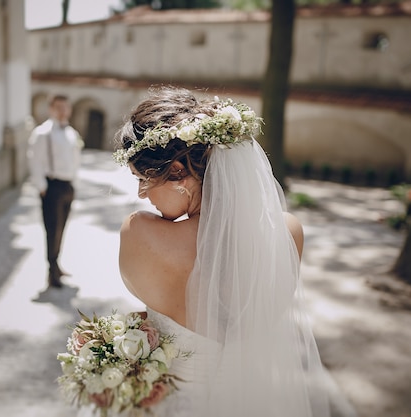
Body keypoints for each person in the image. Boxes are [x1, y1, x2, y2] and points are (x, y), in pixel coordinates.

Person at [108, 86, 333, 416]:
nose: (142, 194)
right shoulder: (287, 233)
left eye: (143, 178)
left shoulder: (139, 233)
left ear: (178, 174)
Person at [27, 94, 82, 288]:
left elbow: (74, 159)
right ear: (51, 109)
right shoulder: (43, 133)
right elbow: (35, 161)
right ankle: (51, 272)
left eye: (66, 107)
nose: (62, 111)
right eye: (58, 107)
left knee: (62, 228)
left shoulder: (71, 133)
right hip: (52, 187)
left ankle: (56, 264)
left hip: (68, 186)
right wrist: (41, 187)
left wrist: (74, 181)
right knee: (52, 229)